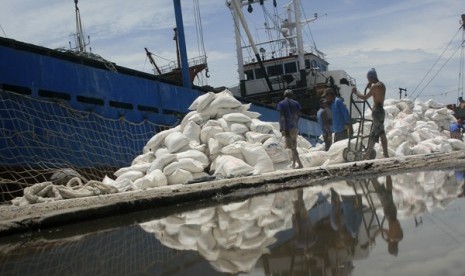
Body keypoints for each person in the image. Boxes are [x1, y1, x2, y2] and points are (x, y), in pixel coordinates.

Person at [352, 68, 389, 159]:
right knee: (373, 134)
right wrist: (370, 86)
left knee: (381, 132)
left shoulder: (375, 87)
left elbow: (364, 97)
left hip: (377, 111)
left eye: (368, 78)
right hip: (381, 111)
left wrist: (356, 92)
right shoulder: (382, 85)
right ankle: (367, 154)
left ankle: (385, 154)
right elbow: (376, 94)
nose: (368, 80)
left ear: (371, 77)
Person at [371, 175, 403, 256]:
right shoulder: (392, 237)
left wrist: (374, 237)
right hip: (389, 213)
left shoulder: (399, 237)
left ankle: (388, 174)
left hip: (393, 212)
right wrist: (374, 237)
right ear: (391, 246)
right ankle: (372, 177)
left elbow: (383, 230)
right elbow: (383, 229)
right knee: (381, 193)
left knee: (389, 193)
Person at [277, 89, 303, 169]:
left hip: (287, 128)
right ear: (292, 95)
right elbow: (299, 115)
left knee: (292, 147)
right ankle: (294, 164)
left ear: (284, 95)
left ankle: (299, 163)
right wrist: (296, 123)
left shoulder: (281, 104)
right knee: (293, 146)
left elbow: (282, 117)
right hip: (294, 127)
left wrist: (282, 128)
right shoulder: (296, 103)